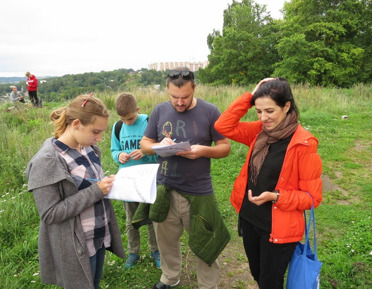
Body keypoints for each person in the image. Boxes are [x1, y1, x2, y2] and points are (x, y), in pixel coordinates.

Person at [214, 78, 323, 289]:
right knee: (257, 273)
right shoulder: (260, 132)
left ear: (287, 106)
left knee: (269, 282)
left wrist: (277, 196)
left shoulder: (304, 144)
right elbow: (223, 125)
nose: (263, 118)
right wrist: (250, 96)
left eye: (270, 111)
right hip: (250, 218)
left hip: (278, 228)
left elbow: (312, 198)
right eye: (258, 111)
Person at [140, 67, 232, 289]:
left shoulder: (210, 111)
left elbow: (225, 147)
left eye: (185, 97)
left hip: (199, 191)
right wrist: (157, 146)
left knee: (206, 240)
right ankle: (170, 277)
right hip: (165, 188)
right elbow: (144, 145)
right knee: (166, 240)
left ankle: (208, 285)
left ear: (194, 88)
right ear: (167, 90)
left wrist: (202, 150)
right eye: (174, 97)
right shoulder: (159, 111)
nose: (179, 102)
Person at [26, 94, 126, 289]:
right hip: (76, 247)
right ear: (77, 124)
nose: (99, 138)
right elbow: (49, 213)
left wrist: (106, 184)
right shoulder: (46, 161)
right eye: (95, 131)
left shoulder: (88, 149)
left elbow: (91, 184)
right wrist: (96, 191)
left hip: (98, 236)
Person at [110, 93, 160, 269]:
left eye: (130, 118)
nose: (128, 122)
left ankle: (156, 250)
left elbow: (159, 151)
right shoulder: (117, 127)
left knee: (152, 217)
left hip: (147, 178)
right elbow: (114, 151)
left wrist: (145, 152)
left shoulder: (149, 123)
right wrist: (119, 156)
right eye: (123, 119)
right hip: (127, 181)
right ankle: (133, 252)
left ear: (137, 110)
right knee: (131, 220)